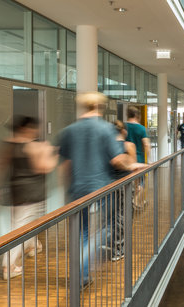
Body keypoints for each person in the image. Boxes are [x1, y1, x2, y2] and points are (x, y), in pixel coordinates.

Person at [57, 92, 145, 284]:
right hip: (103, 188)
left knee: (82, 232)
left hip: (77, 188)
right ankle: (81, 268)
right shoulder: (106, 129)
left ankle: (83, 275)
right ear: (100, 107)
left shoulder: (69, 130)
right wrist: (132, 165)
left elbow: (65, 165)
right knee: (108, 228)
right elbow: (116, 160)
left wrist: (66, 190)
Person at [0, 116, 58, 280]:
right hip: (31, 193)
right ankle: (9, 265)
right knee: (21, 228)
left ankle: (32, 246)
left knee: (24, 223)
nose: (35, 132)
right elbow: (43, 167)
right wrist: (53, 155)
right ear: (27, 129)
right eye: (34, 129)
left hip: (15, 192)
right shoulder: (32, 146)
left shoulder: (6, 144)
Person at [110, 120, 137, 261]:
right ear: (124, 131)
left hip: (109, 185)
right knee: (123, 216)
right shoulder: (128, 145)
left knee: (113, 216)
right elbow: (133, 167)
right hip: (125, 185)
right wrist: (138, 184)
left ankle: (115, 246)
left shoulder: (107, 146)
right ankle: (118, 249)